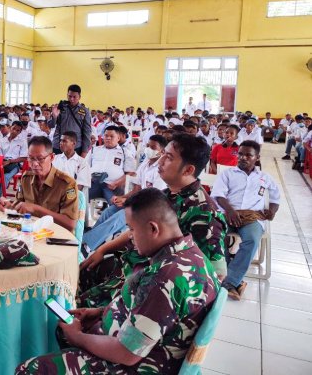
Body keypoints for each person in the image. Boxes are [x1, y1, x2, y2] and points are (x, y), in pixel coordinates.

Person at [16, 188, 219, 375]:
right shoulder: (191, 255)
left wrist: (79, 338)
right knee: (64, 329)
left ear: (153, 228)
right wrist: (100, 313)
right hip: (140, 343)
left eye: (131, 229)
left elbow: (127, 354)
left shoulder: (166, 278)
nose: (130, 238)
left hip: (138, 365)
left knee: (29, 369)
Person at [79, 134, 226, 309]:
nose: (160, 161)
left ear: (188, 170)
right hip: (126, 267)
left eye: (169, 157)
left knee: (76, 311)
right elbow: (134, 231)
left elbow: (215, 274)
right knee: (76, 276)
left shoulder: (205, 214)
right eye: (163, 154)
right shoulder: (164, 196)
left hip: (148, 284)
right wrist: (102, 249)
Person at [212, 141, 279, 300]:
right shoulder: (227, 173)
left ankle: (229, 281)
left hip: (251, 216)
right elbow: (219, 196)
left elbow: (276, 198)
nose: (243, 157)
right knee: (216, 234)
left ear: (257, 158)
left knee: (252, 239)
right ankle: (227, 274)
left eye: (248, 155)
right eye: (240, 154)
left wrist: (272, 211)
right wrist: (230, 211)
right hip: (228, 213)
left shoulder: (264, 177)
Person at [81, 135, 168, 253]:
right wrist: (122, 198)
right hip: (137, 202)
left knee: (119, 217)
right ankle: (92, 243)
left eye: (153, 147)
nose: (148, 149)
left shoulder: (161, 169)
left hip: (149, 208)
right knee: (109, 211)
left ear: (162, 151)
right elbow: (136, 189)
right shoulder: (145, 164)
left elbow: (153, 198)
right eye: (148, 146)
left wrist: (127, 202)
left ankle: (86, 245)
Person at [0, 136, 79, 232]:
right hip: (29, 232)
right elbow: (20, 207)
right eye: (31, 158)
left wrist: (36, 209)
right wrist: (8, 206)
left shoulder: (67, 184)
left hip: (54, 236)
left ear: (52, 157)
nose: (35, 164)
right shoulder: (26, 178)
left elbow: (70, 224)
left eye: (40, 159)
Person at [88, 126, 134, 203]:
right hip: (94, 184)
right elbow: (84, 167)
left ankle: (110, 212)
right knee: (79, 200)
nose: (108, 138)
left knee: (115, 205)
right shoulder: (94, 150)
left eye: (112, 136)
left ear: (118, 138)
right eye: (106, 136)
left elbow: (131, 172)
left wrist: (117, 183)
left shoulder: (125, 152)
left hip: (113, 186)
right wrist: (88, 178)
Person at [51, 84, 92, 157]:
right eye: (69, 96)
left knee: (72, 168)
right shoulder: (60, 107)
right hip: (58, 145)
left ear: (79, 97)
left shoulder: (84, 111)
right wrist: (54, 116)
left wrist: (84, 151)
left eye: (74, 97)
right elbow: (51, 125)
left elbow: (87, 132)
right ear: (67, 95)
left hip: (75, 147)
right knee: (57, 168)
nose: (71, 99)